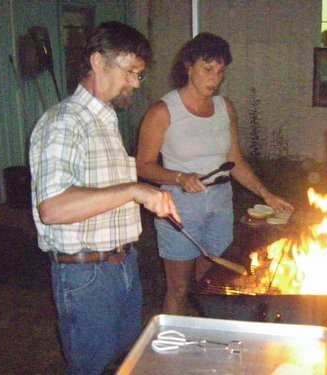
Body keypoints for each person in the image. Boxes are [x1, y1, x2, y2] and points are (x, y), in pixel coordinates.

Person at [29, 21, 180, 375]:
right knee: (91, 368)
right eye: (130, 72)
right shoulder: (65, 123)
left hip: (122, 265)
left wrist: (148, 197)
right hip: (86, 276)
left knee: (125, 363)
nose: (136, 83)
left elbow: (102, 196)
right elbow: (53, 207)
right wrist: (134, 189)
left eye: (139, 74)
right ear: (98, 62)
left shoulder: (105, 119)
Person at [136, 32, 293, 315]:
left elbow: (235, 160)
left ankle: (210, 342)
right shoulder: (163, 111)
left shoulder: (224, 108)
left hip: (220, 202)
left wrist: (266, 194)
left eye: (220, 71)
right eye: (208, 69)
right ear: (189, 66)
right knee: (180, 288)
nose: (214, 78)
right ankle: (172, 349)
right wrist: (180, 177)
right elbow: (143, 165)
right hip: (180, 203)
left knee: (213, 284)